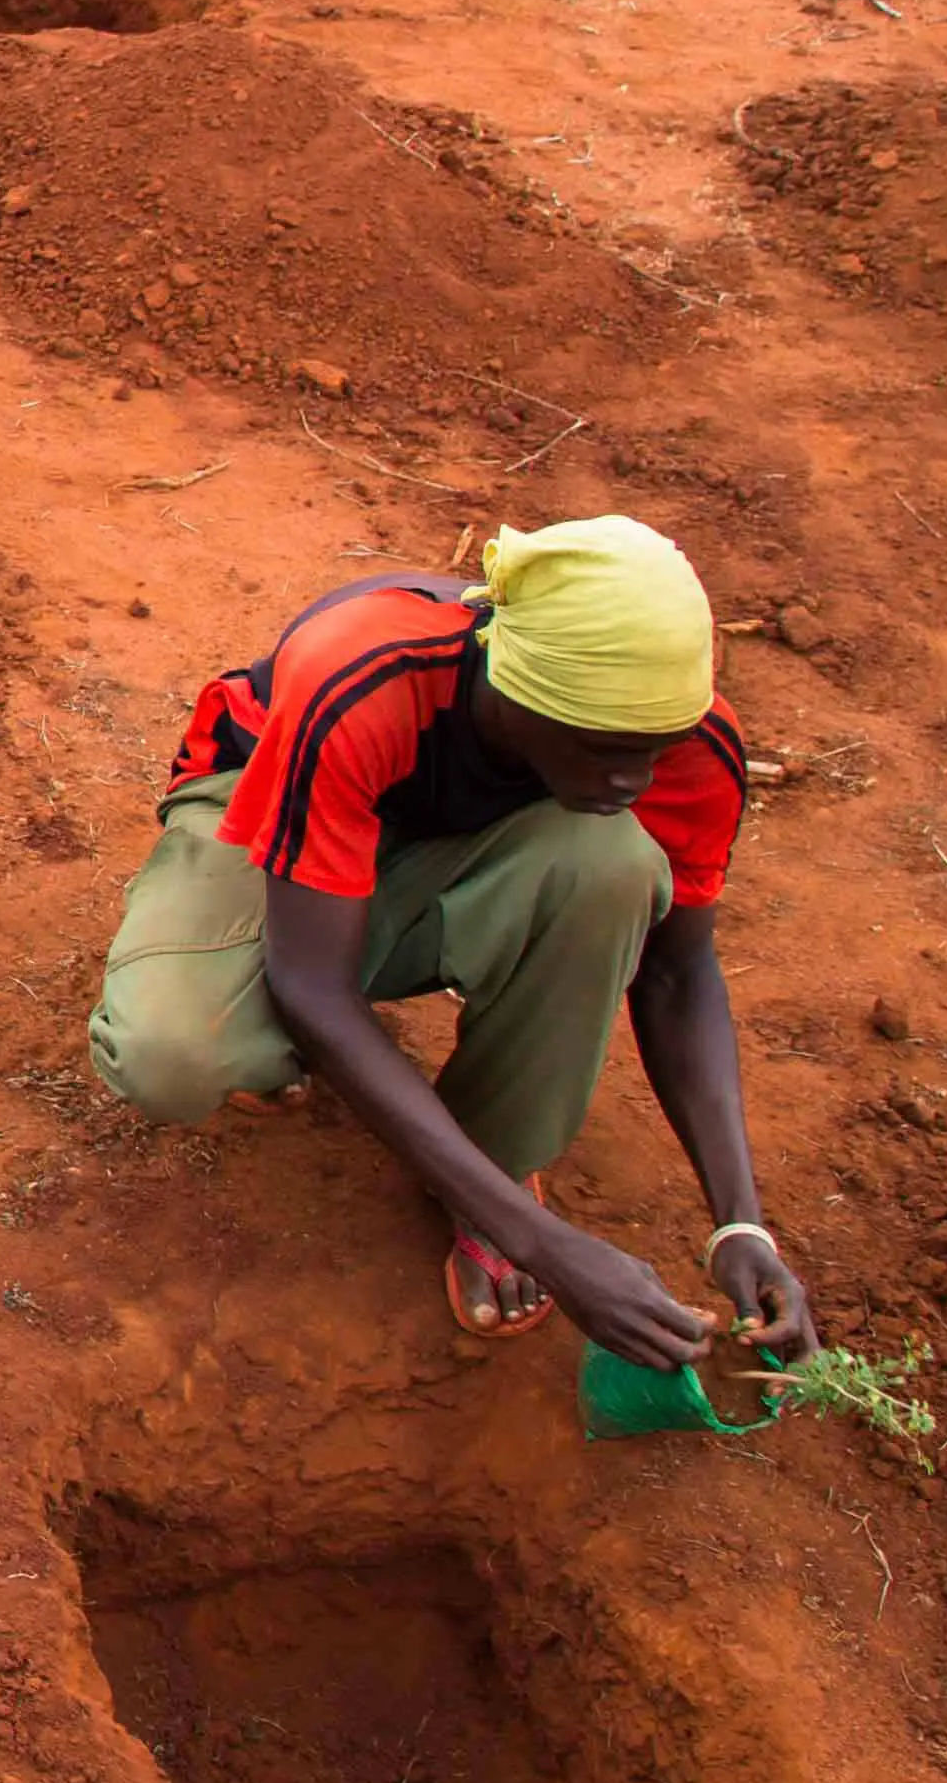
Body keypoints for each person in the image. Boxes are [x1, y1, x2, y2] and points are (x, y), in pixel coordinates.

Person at [90, 518, 811, 1372]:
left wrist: (739, 1221)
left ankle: (491, 1165)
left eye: (652, 748)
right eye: (603, 746)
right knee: (173, 1052)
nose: (634, 778)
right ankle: (273, 1045)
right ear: (519, 694)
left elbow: (678, 972)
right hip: (266, 814)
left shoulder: (681, 741)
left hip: (464, 849)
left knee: (611, 863)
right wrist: (543, 1243)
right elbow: (311, 981)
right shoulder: (363, 676)